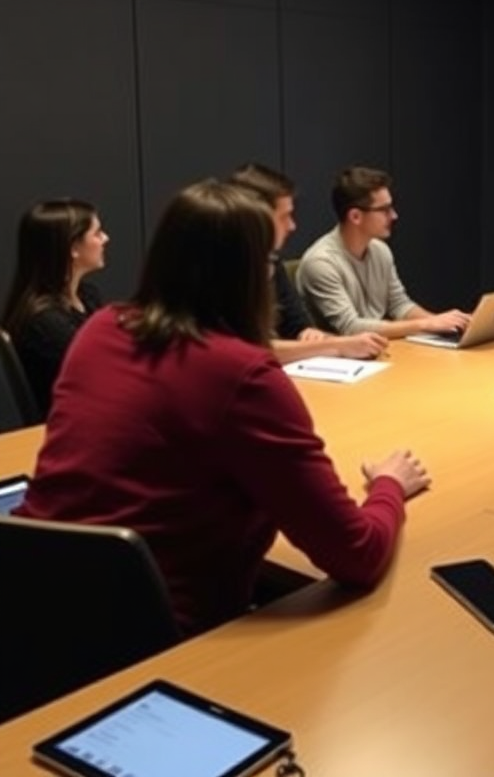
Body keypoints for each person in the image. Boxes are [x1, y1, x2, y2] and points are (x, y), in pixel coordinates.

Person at [16, 180, 429, 636]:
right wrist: (389, 486)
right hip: (153, 637)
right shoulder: (243, 376)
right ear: (250, 275)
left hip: (30, 598)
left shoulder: (101, 328)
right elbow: (357, 555)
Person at [228, 163, 387, 364]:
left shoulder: (270, 260)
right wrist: (338, 345)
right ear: (256, 219)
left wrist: (312, 336)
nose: (292, 226)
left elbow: (298, 326)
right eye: (284, 217)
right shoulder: (223, 270)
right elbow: (247, 349)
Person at [297, 166, 471, 338]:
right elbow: (351, 328)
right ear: (355, 216)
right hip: (340, 352)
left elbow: (399, 305)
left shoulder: (380, 250)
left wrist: (445, 323)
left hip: (377, 346)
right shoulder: (321, 262)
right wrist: (426, 325)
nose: (394, 215)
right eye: (384, 209)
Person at [1, 199, 108, 416]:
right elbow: (103, 371)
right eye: (97, 233)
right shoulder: (44, 323)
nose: (105, 238)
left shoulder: (88, 296)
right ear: (73, 248)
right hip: (70, 423)